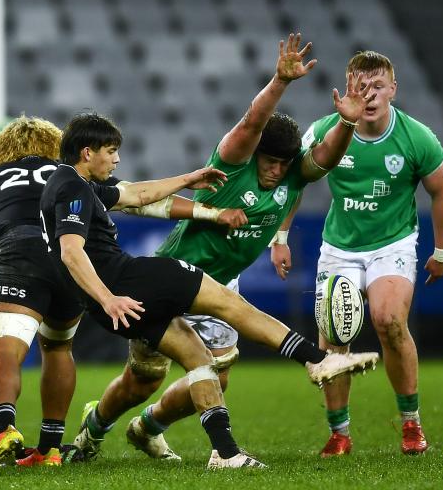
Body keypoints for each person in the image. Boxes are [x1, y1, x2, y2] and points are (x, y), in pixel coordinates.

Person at [68, 33, 377, 463]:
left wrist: (346, 123)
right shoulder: (233, 164)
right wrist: (280, 82)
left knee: (216, 376)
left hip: (221, 281)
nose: (275, 170)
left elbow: (323, 158)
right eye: (269, 160)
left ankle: (148, 427)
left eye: (283, 164)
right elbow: (251, 124)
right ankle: (95, 427)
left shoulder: (292, 176)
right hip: (176, 272)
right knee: (142, 379)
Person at [0, 116, 248, 470]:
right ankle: (49, 446)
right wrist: (210, 213)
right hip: (72, 264)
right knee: (58, 346)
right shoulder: (72, 177)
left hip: (18, 258)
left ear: (1, 151)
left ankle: (2, 430)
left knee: (5, 344)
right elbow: (145, 201)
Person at [302, 50, 443, 456]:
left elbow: (441, 193)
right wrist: (279, 238)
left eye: (378, 86)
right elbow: (294, 181)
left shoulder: (416, 137)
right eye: (361, 86)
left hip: (393, 243)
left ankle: (411, 424)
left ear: (393, 89)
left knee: (388, 320)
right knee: (334, 335)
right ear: (349, 88)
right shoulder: (325, 130)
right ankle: (340, 433)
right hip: (339, 247)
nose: (369, 95)